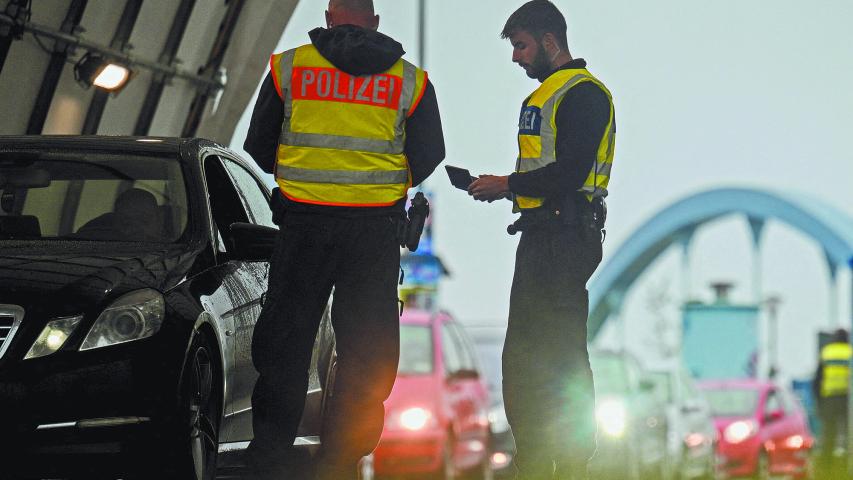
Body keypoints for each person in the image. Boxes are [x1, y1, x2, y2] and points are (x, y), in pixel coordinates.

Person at [242, 0, 445, 478]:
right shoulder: (410, 81)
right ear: (374, 22)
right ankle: (341, 458)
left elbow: (256, 146)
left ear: (329, 19)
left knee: (286, 342)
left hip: (303, 225)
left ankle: (272, 452)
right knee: (365, 350)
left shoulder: (289, 67)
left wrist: (305, 177)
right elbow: (430, 154)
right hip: (373, 232)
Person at [467, 1, 615, 478]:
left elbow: (569, 173)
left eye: (522, 46)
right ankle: (535, 458)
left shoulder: (584, 94)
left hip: (566, 236)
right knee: (526, 356)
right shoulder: (551, 93)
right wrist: (505, 189)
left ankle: (568, 459)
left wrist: (506, 184)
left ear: (550, 41)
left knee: (557, 352)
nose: (517, 58)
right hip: (541, 235)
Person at [813, 328, 851, 473]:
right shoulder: (850, 352)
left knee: (829, 435)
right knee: (849, 435)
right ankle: (847, 466)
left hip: (829, 400)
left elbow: (818, 379)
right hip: (847, 400)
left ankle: (826, 467)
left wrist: (819, 401)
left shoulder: (827, 352)